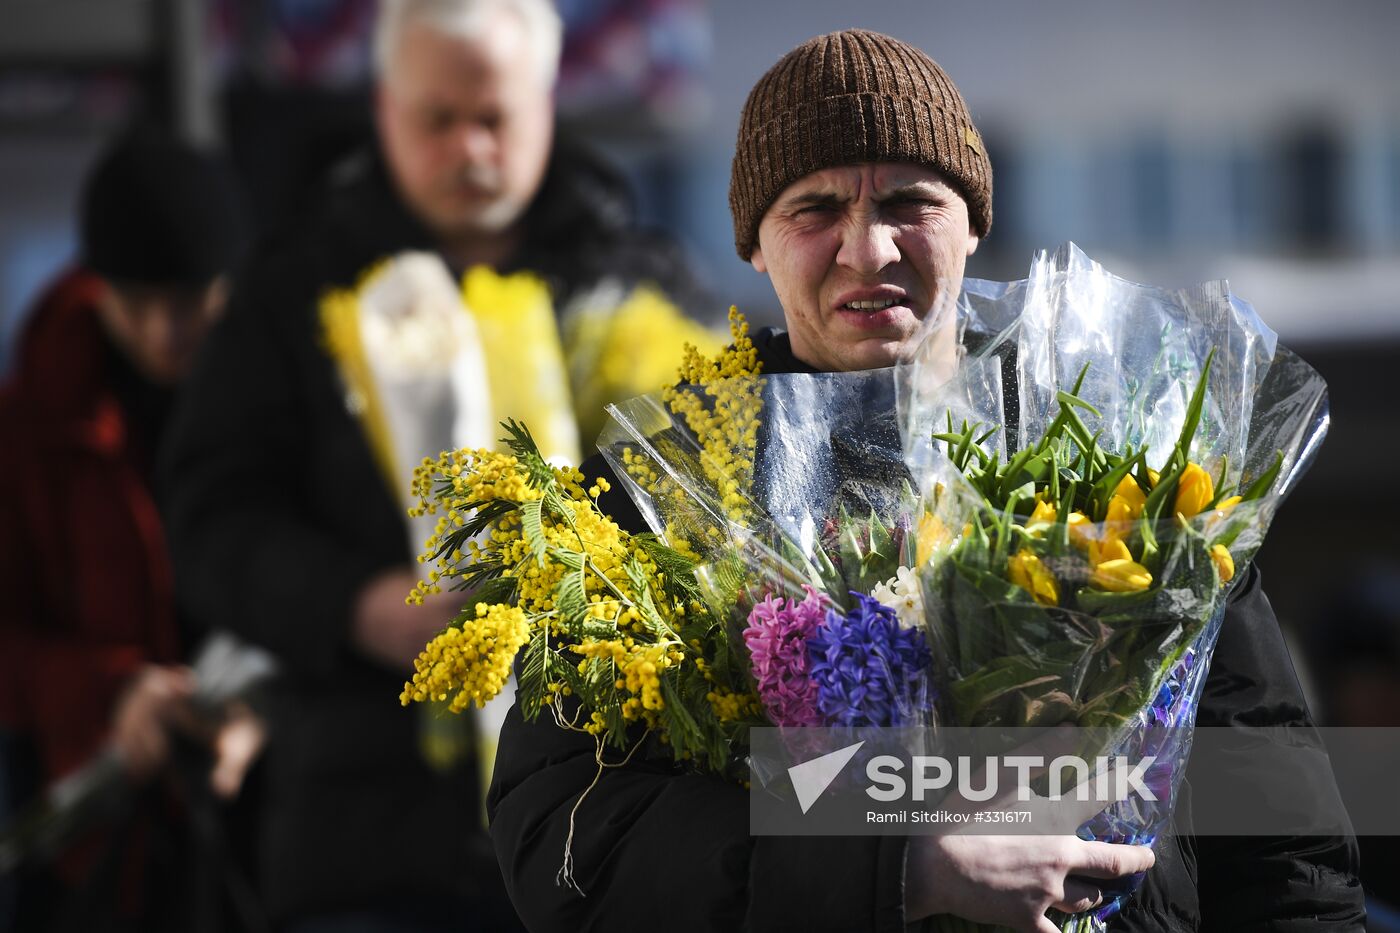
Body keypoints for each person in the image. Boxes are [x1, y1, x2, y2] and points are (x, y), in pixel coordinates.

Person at [487, 29, 1366, 932]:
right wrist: (903, 869)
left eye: (911, 200)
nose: (867, 250)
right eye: (815, 207)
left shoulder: (1122, 461)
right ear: (755, 245)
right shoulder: (663, 496)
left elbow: (1273, 827)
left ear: (975, 219)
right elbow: (569, 838)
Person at [159, 0, 710, 929]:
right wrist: (355, 607)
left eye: (493, 117)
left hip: (609, 829)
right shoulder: (292, 289)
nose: (470, 149)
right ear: (384, 109)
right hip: (367, 827)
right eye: (437, 119)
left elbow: (718, 505)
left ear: (544, 101)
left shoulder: (639, 279)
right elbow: (209, 516)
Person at [0, 128, 261, 931]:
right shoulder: (33, 425)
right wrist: (113, 692)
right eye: (135, 302)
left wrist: (258, 717)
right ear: (94, 283)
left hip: (267, 825)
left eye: (187, 301)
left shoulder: (276, 403)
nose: (162, 331)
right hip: (98, 846)